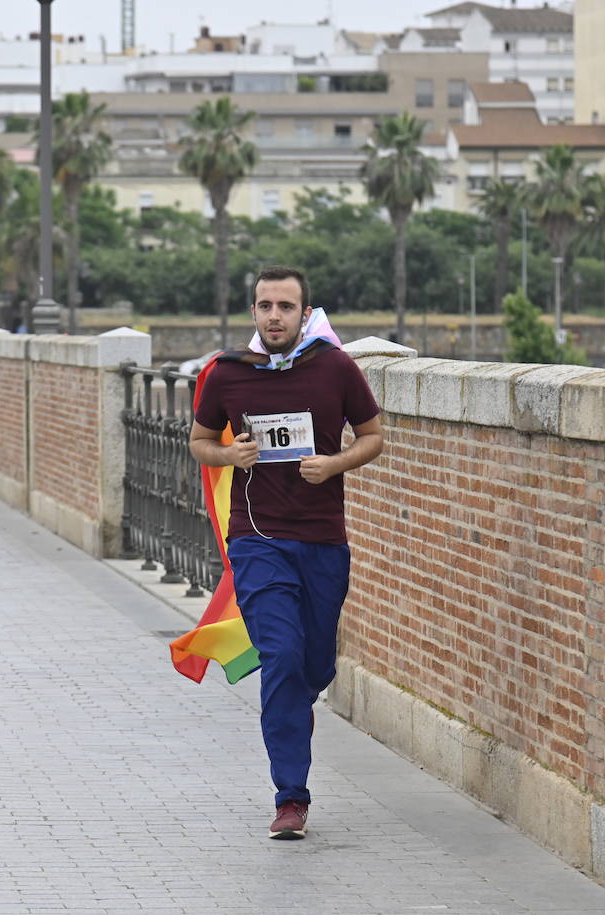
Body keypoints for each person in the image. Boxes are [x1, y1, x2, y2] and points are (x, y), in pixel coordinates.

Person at [188, 265, 384, 840]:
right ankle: (290, 796)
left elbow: (374, 435)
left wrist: (334, 463)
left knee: (312, 665)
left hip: (323, 542)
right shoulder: (228, 374)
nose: (274, 315)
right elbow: (200, 442)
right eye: (264, 305)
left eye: (285, 306)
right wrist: (232, 457)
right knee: (280, 658)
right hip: (258, 539)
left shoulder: (335, 368)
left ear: (305, 313)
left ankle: (300, 700)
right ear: (253, 312)